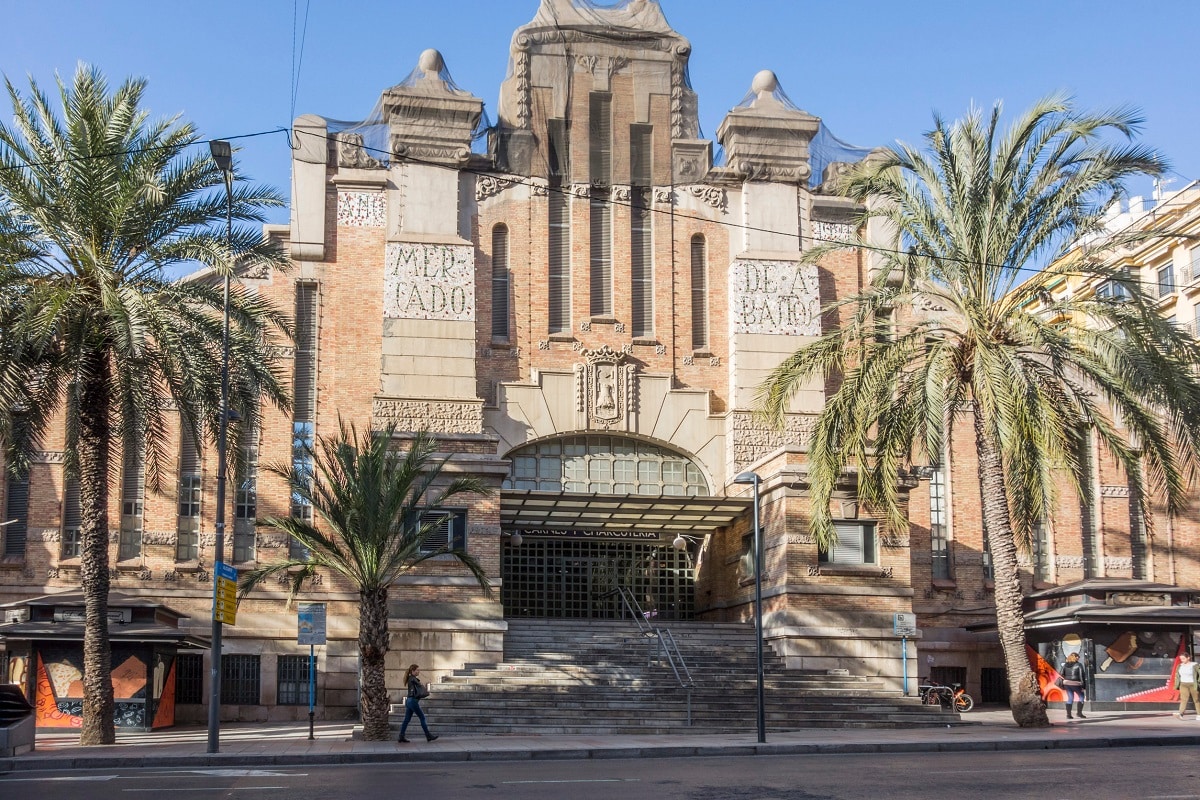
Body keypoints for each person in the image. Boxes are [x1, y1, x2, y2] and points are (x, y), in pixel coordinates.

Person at [398, 664, 439, 743]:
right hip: (413, 701)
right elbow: (420, 688)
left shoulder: (410, 679)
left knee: (407, 719)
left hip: (409, 701)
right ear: (413, 671)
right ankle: (428, 735)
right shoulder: (413, 679)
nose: (418, 671)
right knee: (422, 717)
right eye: (417, 670)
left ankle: (401, 736)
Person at [1059, 652, 1086, 720]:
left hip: (1067, 683)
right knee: (1081, 696)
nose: (1078, 658)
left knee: (1070, 698)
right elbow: (1081, 676)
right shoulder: (1079, 665)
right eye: (1078, 657)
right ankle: (1079, 713)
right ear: (1076, 657)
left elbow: (1061, 673)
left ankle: (1068, 715)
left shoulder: (1065, 665)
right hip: (1076, 683)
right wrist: (1083, 686)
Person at [1173, 651, 1199, 719]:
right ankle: (1181, 714)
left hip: (1193, 684)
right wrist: (1177, 684)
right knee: (1183, 699)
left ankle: (1199, 714)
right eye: (1181, 659)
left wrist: (1198, 682)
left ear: (1188, 658)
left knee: (1196, 700)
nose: (1182, 660)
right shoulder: (1180, 666)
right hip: (1183, 684)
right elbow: (1177, 675)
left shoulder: (1194, 665)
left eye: (1183, 658)